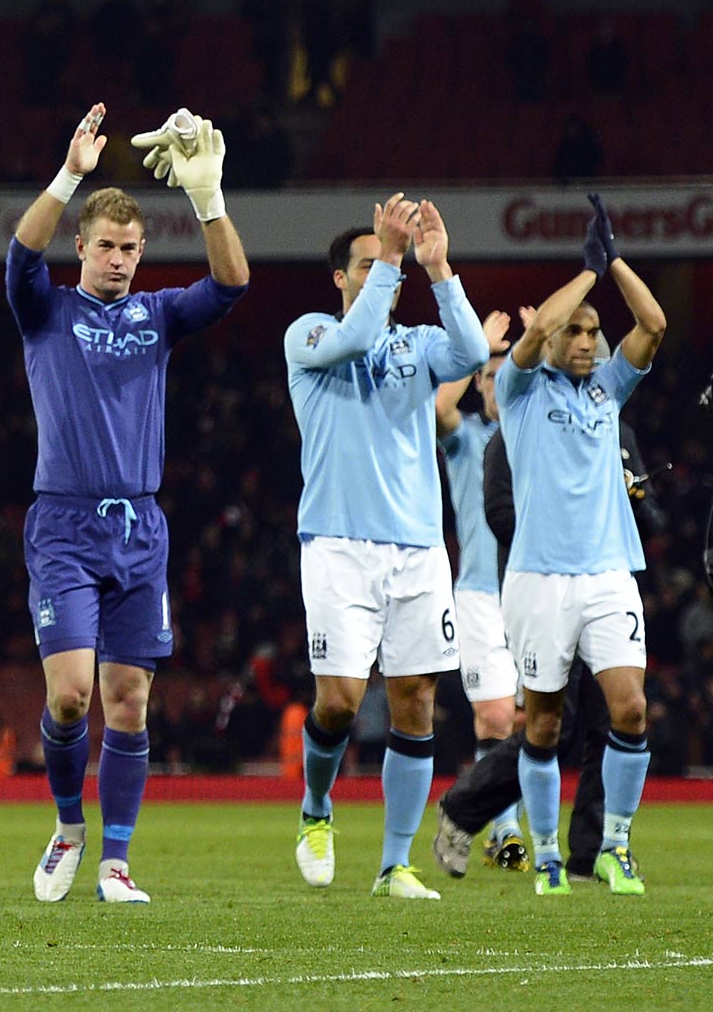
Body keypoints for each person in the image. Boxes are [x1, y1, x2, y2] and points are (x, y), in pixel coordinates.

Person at [10, 103, 248, 904]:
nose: (117, 258)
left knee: (131, 701)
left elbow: (231, 283)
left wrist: (208, 198)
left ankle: (115, 861)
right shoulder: (47, 312)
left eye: (130, 248)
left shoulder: (158, 315)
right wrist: (72, 172)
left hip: (141, 527)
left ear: (144, 253)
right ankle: (67, 827)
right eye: (105, 245)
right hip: (65, 524)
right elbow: (18, 254)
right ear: (82, 247)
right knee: (71, 692)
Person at [282, 196, 490, 899]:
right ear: (340, 279)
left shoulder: (417, 346)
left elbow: (469, 352)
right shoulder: (308, 336)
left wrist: (438, 268)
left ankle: (394, 865)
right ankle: (316, 808)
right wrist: (392, 260)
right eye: (367, 264)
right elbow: (352, 338)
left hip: (418, 550)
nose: (382, 275)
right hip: (338, 545)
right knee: (339, 700)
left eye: (386, 266)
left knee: (416, 702)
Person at [496, 193, 666, 896]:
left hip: (606, 576)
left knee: (630, 708)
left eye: (596, 335)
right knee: (543, 723)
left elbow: (653, 324)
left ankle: (615, 847)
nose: (590, 342)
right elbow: (534, 341)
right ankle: (544, 853)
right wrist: (584, 281)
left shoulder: (608, 392)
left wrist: (614, 261)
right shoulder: (520, 389)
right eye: (579, 333)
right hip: (538, 579)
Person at [433, 402, 666, 884]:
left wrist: (632, 500)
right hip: (544, 591)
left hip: (604, 584)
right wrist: (566, 525)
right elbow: (501, 516)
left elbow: (652, 520)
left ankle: (591, 854)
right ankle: (463, 808)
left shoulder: (617, 431)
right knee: (554, 726)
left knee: (614, 720)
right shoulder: (514, 435)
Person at [434, 324, 525, 871]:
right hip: (478, 594)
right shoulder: (466, 435)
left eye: (502, 376)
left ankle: (501, 822)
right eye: (486, 378)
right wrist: (475, 349)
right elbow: (439, 407)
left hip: (533, 588)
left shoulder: (536, 434)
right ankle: (507, 827)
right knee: (494, 717)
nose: (494, 385)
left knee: (530, 718)